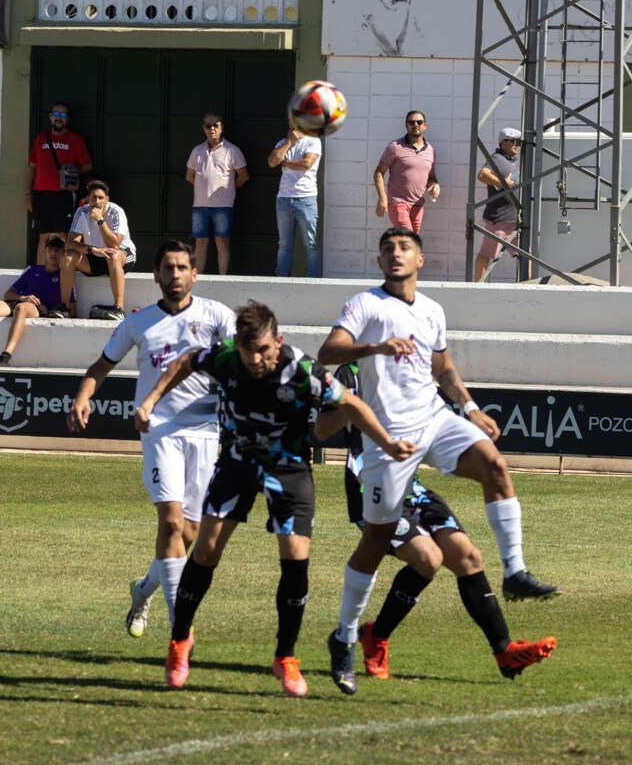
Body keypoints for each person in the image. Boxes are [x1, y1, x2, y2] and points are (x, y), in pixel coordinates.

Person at [319, 227, 561, 697]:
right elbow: (328, 351)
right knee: (377, 544)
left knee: (494, 465)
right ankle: (347, 638)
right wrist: (373, 348)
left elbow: (443, 367)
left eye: (403, 247)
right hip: (389, 444)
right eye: (387, 248)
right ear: (379, 259)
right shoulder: (366, 305)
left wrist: (470, 408)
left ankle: (514, 574)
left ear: (421, 259)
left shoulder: (432, 310)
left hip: (433, 419)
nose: (394, 253)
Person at [134, 301, 414, 697]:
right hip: (237, 464)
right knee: (206, 550)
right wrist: (151, 400)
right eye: (249, 350)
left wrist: (387, 442)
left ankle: (285, 656)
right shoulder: (226, 357)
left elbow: (350, 404)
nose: (257, 358)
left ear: (278, 341)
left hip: (289, 469)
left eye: (264, 349)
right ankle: (180, 641)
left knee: (296, 557)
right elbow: (185, 361)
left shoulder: (301, 371)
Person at [314, 362, 557, 684]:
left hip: (412, 486)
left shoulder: (407, 364)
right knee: (428, 558)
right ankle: (373, 637)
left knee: (467, 556)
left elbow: (439, 380)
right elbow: (321, 430)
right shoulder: (351, 372)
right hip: (370, 485)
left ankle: (505, 652)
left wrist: (467, 412)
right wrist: (356, 403)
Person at [66, 241, 234, 643]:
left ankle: (143, 590)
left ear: (194, 274)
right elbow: (101, 365)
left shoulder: (217, 316)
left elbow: (243, 361)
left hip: (207, 432)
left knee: (188, 535)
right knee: (172, 522)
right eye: (167, 268)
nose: (175, 275)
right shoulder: (138, 323)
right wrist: (83, 396)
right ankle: (181, 634)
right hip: (158, 431)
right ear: (156, 275)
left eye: (182, 268)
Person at [0, 235, 74, 366]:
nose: (53, 253)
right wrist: (23, 297)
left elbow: (72, 309)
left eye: (57, 250)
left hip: (35, 308)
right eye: (50, 249)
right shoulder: (33, 270)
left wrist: (49, 311)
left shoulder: (65, 276)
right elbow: (8, 294)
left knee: (22, 308)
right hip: (18, 302)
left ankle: (6, 356)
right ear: (45, 251)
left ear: (62, 253)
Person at [48, 180, 137, 321]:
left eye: (101, 198)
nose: (97, 201)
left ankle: (119, 309)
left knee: (112, 257)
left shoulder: (116, 211)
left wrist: (100, 221)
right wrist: (93, 250)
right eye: (93, 198)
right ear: (87, 199)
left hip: (120, 256)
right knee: (67, 257)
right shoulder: (82, 212)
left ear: (107, 199)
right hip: (95, 256)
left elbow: (114, 244)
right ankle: (64, 307)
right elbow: (70, 244)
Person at [26, 102, 93, 265]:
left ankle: (63, 273)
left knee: (64, 234)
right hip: (41, 194)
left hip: (63, 195)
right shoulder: (41, 138)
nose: (59, 118)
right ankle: (42, 275)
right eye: (56, 114)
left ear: (67, 119)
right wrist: (28, 194)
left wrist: (70, 174)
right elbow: (32, 167)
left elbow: (87, 165)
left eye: (63, 115)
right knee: (43, 235)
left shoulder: (74, 139)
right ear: (50, 117)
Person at [185, 113, 248, 275]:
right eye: (208, 126)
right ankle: (196, 277)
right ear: (203, 129)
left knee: (222, 242)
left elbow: (244, 176)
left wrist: (229, 189)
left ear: (222, 127)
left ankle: (223, 278)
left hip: (223, 205)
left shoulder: (232, 150)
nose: (212, 129)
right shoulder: (197, 151)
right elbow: (189, 176)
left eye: (215, 125)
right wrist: (203, 187)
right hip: (199, 205)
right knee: (200, 243)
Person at [268, 127, 322, 277]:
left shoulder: (313, 141)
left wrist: (284, 162)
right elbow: (272, 162)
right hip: (283, 199)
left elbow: (306, 163)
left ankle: (313, 279)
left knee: (310, 244)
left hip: (306, 198)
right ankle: (282, 277)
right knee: (284, 245)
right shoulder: (283, 142)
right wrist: (289, 141)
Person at [374, 111, 439, 233]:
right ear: (406, 125)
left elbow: (431, 177)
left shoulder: (430, 150)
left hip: (418, 205)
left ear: (425, 126)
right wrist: (383, 198)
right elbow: (379, 172)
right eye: (411, 122)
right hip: (398, 203)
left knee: (411, 246)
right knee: (409, 241)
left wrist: (435, 186)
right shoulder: (395, 147)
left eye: (419, 122)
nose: (415, 125)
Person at [474, 127, 522, 282]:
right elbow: (482, 175)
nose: (517, 145)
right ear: (503, 143)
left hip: (513, 219)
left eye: (519, 142)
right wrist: (504, 182)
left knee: (525, 254)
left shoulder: (510, 161)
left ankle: (527, 286)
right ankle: (477, 287)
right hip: (499, 220)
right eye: (514, 141)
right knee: (487, 254)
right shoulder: (497, 159)